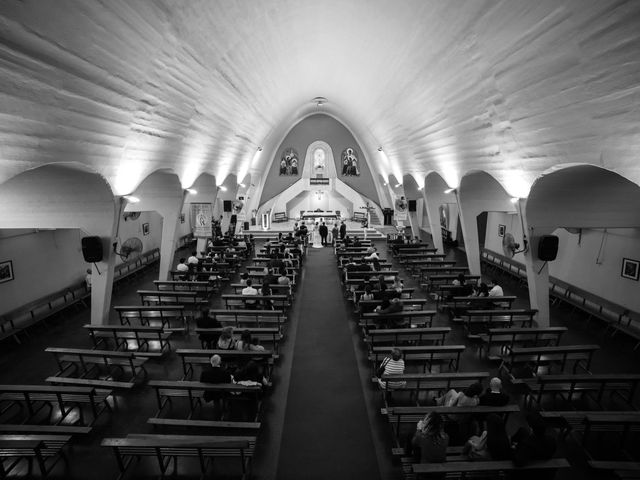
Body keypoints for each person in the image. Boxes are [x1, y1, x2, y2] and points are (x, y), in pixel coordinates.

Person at [511, 412, 557, 477]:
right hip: (546, 471)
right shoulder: (552, 440)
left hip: (531, 473)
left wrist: (514, 448)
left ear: (531, 429)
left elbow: (518, 463)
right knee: (522, 431)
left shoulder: (527, 444)